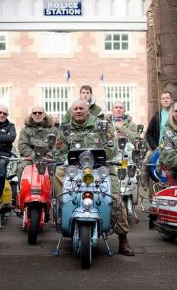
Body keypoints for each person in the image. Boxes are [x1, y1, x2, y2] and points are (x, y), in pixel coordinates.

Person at [54, 99, 135, 256]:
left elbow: (112, 146)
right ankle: (62, 207)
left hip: (101, 167)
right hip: (73, 168)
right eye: (75, 109)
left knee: (116, 198)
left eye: (81, 109)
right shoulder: (65, 129)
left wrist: (96, 158)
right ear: (71, 111)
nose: (78, 111)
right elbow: (59, 150)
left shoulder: (102, 125)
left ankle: (123, 239)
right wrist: (71, 160)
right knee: (57, 173)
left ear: (88, 111)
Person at [17, 106, 58, 181]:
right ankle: (23, 191)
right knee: (21, 168)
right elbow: (23, 146)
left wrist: (49, 156)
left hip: (50, 160)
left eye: (40, 112)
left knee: (57, 172)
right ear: (31, 115)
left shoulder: (53, 130)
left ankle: (54, 192)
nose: (37, 114)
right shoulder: (25, 130)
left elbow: (57, 145)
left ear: (44, 115)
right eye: (35, 113)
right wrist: (35, 156)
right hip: (31, 159)